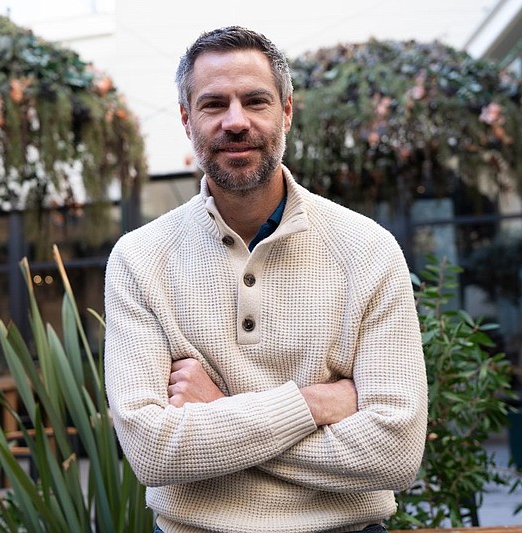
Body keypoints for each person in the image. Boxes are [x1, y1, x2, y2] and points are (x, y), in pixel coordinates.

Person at [104, 26, 428, 533]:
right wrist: (315, 403)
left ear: (287, 112)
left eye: (255, 100)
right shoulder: (140, 259)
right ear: (187, 120)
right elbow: (153, 453)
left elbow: (395, 454)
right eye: (214, 104)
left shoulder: (368, 249)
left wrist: (219, 411)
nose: (236, 122)